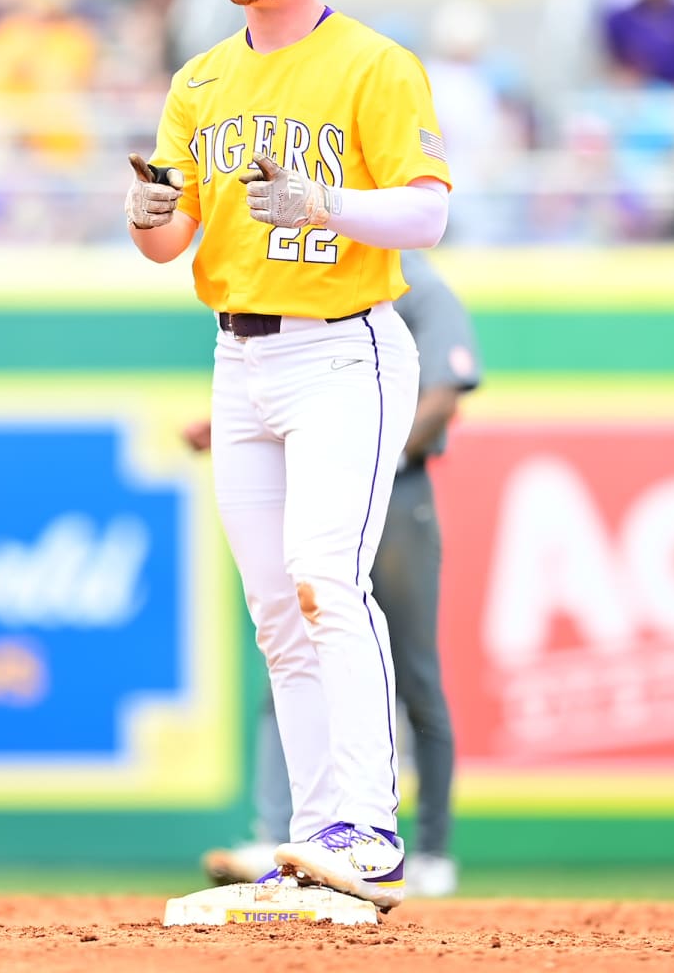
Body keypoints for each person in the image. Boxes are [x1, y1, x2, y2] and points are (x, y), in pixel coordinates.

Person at [125, 0, 452, 913]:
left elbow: (426, 212)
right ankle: (315, 834)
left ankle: (372, 830)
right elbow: (173, 240)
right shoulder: (201, 82)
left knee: (323, 577)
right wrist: (151, 220)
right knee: (277, 607)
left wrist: (327, 204)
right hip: (238, 354)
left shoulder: (373, 64)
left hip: (341, 345)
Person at [194, 249, 483, 899]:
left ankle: (425, 846)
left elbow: (445, 393)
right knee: (293, 632)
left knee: (411, 671)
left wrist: (357, 450)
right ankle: (296, 832)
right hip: (315, 477)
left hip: (398, 488)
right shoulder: (288, 260)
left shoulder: (412, 278)